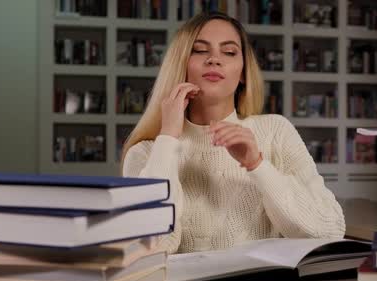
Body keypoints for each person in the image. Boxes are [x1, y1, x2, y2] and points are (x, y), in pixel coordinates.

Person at [121, 12, 345, 254]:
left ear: (243, 74)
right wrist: (167, 139)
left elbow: (329, 231)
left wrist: (257, 165)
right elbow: (154, 248)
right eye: (199, 50)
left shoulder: (275, 131)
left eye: (229, 52)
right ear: (180, 65)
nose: (214, 59)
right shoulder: (146, 153)